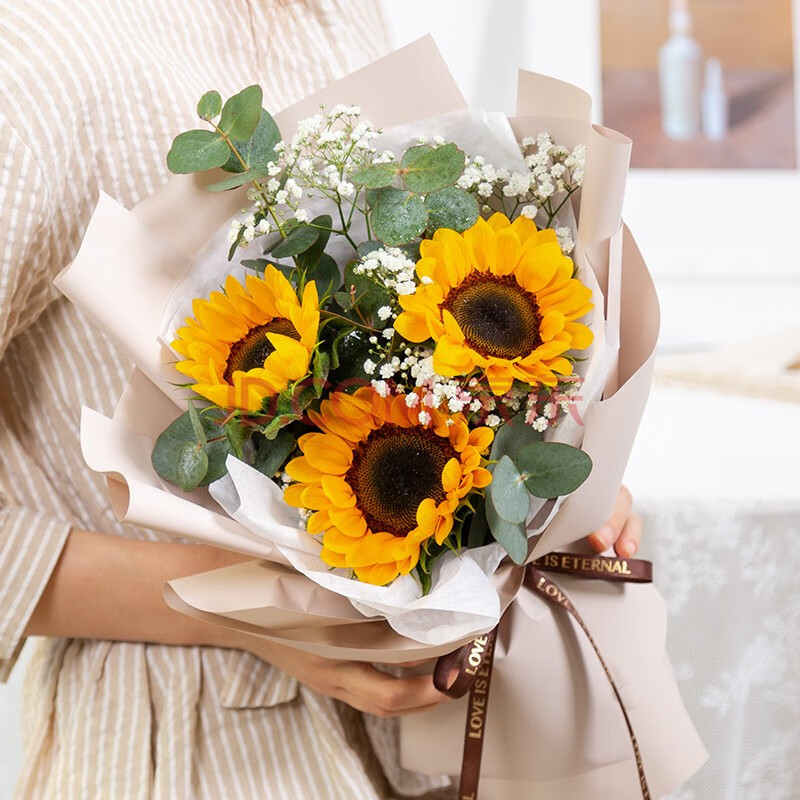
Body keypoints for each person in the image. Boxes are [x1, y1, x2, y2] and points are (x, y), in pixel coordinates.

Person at [0, 1, 643, 797]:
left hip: (424, 737)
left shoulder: (333, 13)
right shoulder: (35, 59)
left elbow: (398, 350)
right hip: (192, 750)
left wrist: (549, 481)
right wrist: (245, 607)